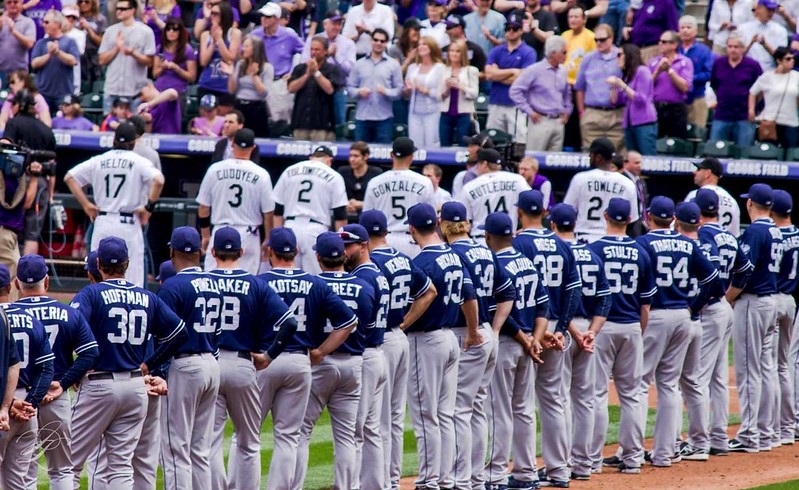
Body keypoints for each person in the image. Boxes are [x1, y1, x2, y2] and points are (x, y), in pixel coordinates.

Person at [68, 237, 185, 489]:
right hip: (135, 385)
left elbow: (69, 329)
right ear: (128, 264)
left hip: (99, 385)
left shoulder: (91, 293)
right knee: (121, 467)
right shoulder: (147, 296)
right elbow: (179, 333)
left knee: (68, 465)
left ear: (98, 264)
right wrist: (148, 364)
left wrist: (73, 372)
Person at [258, 227, 358, 490]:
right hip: (301, 361)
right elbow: (348, 321)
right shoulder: (315, 282)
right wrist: (320, 351)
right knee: (288, 437)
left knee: (246, 437)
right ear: (297, 252)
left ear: (270, 251)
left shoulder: (260, 281)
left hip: (265, 360)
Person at [208, 227, 297, 490]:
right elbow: (289, 322)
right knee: (248, 441)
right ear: (241, 252)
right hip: (243, 364)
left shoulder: (202, 282)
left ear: (213, 252)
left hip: (209, 365)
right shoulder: (256, 283)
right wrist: (270, 355)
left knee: (209, 441)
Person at [635, 197, 719, 467]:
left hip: (656, 315)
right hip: (683, 315)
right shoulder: (686, 243)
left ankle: (633, 454)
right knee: (669, 385)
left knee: (639, 384)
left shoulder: (644, 242)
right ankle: (663, 453)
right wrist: (693, 307)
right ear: (672, 218)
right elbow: (712, 280)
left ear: (649, 216)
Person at [438, 203, 515, 489]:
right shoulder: (485, 251)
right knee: (476, 408)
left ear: (443, 224)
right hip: (486, 334)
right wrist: (493, 330)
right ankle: (475, 476)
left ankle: (462, 478)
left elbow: (466, 296)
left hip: (467, 334)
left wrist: (475, 331)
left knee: (459, 409)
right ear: (467, 223)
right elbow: (508, 293)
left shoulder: (452, 253)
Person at [404, 202, 479, 490]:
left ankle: (429, 480)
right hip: (450, 339)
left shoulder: (421, 262)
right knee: (445, 414)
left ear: (412, 229)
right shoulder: (452, 255)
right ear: (435, 225)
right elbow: (469, 296)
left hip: (427, 341)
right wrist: (472, 331)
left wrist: (402, 325)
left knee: (425, 414)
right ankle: (445, 478)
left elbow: (420, 300)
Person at [359, 210, 436, 489]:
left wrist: (401, 324)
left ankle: (381, 481)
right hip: (399, 339)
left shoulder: (370, 262)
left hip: (382, 342)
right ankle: (391, 479)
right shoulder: (402, 258)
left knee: (377, 418)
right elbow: (429, 292)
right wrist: (404, 324)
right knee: (393, 416)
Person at [513, 189, 581, 487]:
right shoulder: (562, 245)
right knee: (554, 399)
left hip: (529, 329)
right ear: (544, 212)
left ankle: (525, 471)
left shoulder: (518, 243)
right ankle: (559, 470)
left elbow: (514, 293)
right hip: (555, 329)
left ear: (520, 212)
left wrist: (534, 335)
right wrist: (562, 329)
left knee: (523, 402)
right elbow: (573, 291)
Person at [13, 254, 99, 490]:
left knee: (23, 471)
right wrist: (64, 382)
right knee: (61, 470)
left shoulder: (7, 315)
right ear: (47, 281)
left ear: (16, 283)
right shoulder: (69, 313)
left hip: (18, 401)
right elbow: (90, 353)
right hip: (55, 398)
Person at [482, 211, 549, 489]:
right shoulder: (528, 263)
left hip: (511, 343)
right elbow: (545, 305)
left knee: (499, 410)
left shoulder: (495, 263)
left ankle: (496, 474)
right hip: (528, 344)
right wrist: (535, 339)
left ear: (487, 237)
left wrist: (525, 339)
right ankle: (526, 473)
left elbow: (500, 311)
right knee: (523, 409)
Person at [588, 197, 654, 475]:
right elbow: (646, 305)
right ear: (629, 220)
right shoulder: (641, 252)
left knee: (597, 394)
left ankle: (591, 459)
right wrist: (638, 332)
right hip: (631, 326)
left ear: (605, 216)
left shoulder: (594, 250)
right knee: (631, 395)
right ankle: (633, 458)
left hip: (601, 328)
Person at [156, 227, 222, 490]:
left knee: (176, 449)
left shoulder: (172, 286)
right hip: (212, 364)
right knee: (200, 449)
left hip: (184, 366)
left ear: (172, 252)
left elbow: (165, 336)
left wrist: (156, 370)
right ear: (199, 252)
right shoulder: (215, 284)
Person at [549, 203, 611, 480]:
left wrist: (573, 331)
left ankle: (561, 464)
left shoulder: (556, 252)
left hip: (563, 329)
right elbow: (605, 300)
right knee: (585, 399)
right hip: (587, 329)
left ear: (553, 225)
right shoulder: (592, 254)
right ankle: (583, 464)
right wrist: (591, 333)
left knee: (560, 398)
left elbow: (559, 301)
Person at [64, 122, 165, 287]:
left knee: (99, 277)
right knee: (132, 279)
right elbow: (159, 180)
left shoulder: (99, 160)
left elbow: (69, 177)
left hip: (103, 221)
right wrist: (148, 208)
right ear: (133, 142)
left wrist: (86, 204)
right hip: (128, 224)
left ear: (114, 140)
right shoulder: (138, 161)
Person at [694, 188, 753, 456]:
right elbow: (745, 269)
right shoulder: (729, 235)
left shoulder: (704, 234)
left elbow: (711, 275)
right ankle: (718, 437)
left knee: (698, 377)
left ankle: (700, 441)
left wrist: (711, 299)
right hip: (722, 308)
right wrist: (728, 298)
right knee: (717, 377)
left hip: (708, 309)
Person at [727, 183, 782, 452]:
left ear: (750, 204)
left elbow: (743, 271)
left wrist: (729, 296)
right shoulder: (777, 231)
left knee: (749, 370)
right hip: (771, 299)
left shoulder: (755, 232)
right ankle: (767, 431)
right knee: (766, 368)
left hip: (753, 302)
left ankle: (750, 434)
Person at [0, 267, 54, 490]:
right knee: (17, 483)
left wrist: (7, 405)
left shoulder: (5, 317)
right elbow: (23, 365)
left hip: (8, 406)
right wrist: (24, 404)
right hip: (24, 406)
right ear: (11, 285)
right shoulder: (21, 318)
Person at [197, 128, 274, 275]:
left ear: (232, 144)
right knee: (246, 285)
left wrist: (206, 235)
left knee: (213, 283)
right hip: (249, 234)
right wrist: (267, 238)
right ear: (253, 147)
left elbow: (203, 208)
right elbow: (268, 213)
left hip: (220, 230)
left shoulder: (214, 169)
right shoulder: (262, 174)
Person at [273, 145, 348, 274]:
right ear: (329, 160)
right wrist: (340, 242)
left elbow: (278, 209)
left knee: (286, 277)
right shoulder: (334, 176)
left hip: (290, 227)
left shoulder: (289, 171)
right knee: (314, 278)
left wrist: (276, 235)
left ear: (311, 158)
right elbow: (340, 214)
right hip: (316, 230)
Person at [0, 89, 58, 258]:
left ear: (18, 105)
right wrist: (52, 194)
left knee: (12, 227)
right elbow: (52, 167)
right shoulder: (46, 129)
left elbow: (4, 146)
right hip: (41, 183)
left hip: (16, 183)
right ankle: (29, 275)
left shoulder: (14, 123)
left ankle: (10, 275)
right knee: (32, 233)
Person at [362, 137, 436, 258]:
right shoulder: (424, 182)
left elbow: (366, 218)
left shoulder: (374, 182)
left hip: (384, 241)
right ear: (412, 157)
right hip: (413, 240)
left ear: (391, 155)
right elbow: (431, 218)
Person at [563, 137, 639, 243]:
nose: (589, 156)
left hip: (584, 240)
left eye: (591, 153)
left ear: (598, 157)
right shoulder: (627, 183)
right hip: (614, 241)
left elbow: (567, 211)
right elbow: (633, 221)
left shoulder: (580, 178)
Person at [510, 35, 572, 151]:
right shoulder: (534, 70)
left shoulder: (563, 71)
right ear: (554, 53)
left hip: (559, 121)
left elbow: (567, 93)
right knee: (534, 159)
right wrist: (529, 111)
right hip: (540, 120)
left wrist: (567, 110)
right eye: (564, 52)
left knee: (555, 162)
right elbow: (515, 90)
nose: (566, 55)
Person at [772, 190, 799, 446]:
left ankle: (773, 427)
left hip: (773, 299)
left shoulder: (774, 237)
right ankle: (789, 426)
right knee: (785, 365)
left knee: (770, 366)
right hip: (792, 301)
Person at [486, 9, 537, 143]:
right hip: (496, 101)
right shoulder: (496, 50)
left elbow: (523, 79)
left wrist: (498, 73)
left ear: (521, 30)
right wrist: (514, 71)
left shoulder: (528, 52)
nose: (510, 31)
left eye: (514, 28)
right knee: (492, 141)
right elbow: (488, 74)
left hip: (516, 104)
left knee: (517, 142)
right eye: (508, 28)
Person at [251, 2, 304, 127]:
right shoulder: (255, 35)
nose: (263, 19)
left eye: (268, 16)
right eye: (262, 16)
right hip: (258, 81)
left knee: (280, 122)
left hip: (279, 82)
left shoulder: (289, 35)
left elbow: (305, 51)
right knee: (258, 120)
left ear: (276, 18)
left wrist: (294, 72)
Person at [461, 148, 531, 241]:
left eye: (478, 165)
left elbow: (464, 220)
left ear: (485, 164)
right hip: (508, 239)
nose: (476, 169)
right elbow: (531, 202)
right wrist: (527, 228)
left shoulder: (470, 186)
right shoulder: (517, 180)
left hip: (481, 240)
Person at [98, 0, 156, 113]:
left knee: (135, 128)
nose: (119, 11)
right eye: (117, 9)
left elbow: (149, 62)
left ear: (132, 10)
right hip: (112, 89)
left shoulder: (146, 32)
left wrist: (133, 53)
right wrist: (117, 48)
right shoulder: (110, 31)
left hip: (135, 91)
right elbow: (101, 60)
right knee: (109, 126)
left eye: (123, 9)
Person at [348, 29, 404, 143]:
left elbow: (399, 91)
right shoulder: (359, 64)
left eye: (382, 41)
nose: (378, 43)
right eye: (376, 40)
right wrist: (359, 91)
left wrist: (386, 92)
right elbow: (349, 88)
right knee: (360, 153)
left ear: (387, 43)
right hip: (362, 118)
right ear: (371, 40)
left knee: (383, 156)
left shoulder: (393, 65)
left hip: (384, 119)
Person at [575, 23, 624, 152]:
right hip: (592, 112)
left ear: (611, 38)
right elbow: (580, 87)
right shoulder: (588, 58)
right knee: (590, 153)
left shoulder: (621, 56)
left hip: (616, 113)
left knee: (616, 155)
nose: (599, 43)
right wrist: (582, 113)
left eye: (602, 40)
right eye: (596, 40)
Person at [303, 10, 356, 128]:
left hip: (337, 86)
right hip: (316, 86)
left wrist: (337, 57)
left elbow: (351, 70)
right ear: (325, 24)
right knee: (315, 121)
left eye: (339, 24)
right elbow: (304, 62)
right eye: (334, 23)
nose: (337, 27)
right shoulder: (314, 40)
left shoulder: (348, 43)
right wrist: (324, 55)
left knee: (339, 123)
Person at [709, 33, 763, 147]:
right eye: (730, 46)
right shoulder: (719, 63)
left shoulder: (753, 65)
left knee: (744, 151)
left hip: (744, 116)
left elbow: (760, 90)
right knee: (715, 149)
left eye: (736, 47)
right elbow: (714, 85)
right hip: (722, 114)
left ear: (743, 48)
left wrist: (753, 109)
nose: (733, 50)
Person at [288, 35, 343, 142]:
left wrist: (316, 73)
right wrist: (307, 75)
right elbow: (291, 88)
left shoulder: (332, 69)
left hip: (322, 124)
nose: (313, 52)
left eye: (317, 49)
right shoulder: (300, 68)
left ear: (325, 51)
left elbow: (330, 89)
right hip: (301, 123)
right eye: (312, 49)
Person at [605, 43, 657, 154]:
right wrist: (614, 86)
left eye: (620, 54)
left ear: (629, 55)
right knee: (631, 157)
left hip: (644, 122)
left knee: (646, 156)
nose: (617, 58)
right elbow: (615, 102)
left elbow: (641, 99)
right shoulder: (627, 75)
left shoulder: (643, 71)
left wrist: (621, 84)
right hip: (629, 123)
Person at [749, 47, 799, 148]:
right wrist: (751, 110)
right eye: (788, 59)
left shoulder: (797, 76)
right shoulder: (767, 77)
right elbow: (753, 92)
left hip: (791, 121)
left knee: (790, 152)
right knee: (768, 150)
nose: (792, 61)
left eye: (792, 58)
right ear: (779, 60)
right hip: (770, 121)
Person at [223, 36, 272, 137]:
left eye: (246, 46)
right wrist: (231, 75)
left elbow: (264, 93)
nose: (242, 48)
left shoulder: (267, 67)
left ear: (255, 49)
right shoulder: (241, 64)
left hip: (257, 108)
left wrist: (254, 76)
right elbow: (232, 90)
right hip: (240, 106)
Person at [648, 30, 692, 139]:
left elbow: (685, 87)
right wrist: (658, 70)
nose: (660, 44)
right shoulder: (653, 62)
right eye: (659, 41)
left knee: (677, 142)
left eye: (664, 42)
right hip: (656, 107)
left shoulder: (685, 62)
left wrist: (670, 71)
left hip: (676, 109)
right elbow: (647, 86)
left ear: (674, 45)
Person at [404, 36, 447, 149]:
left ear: (432, 47)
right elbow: (406, 93)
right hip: (414, 113)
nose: (421, 47)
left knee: (432, 145)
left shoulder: (440, 68)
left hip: (432, 112)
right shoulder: (412, 68)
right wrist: (407, 89)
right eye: (419, 44)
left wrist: (424, 90)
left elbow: (442, 95)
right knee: (414, 145)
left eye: (424, 44)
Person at [198, 0, 241, 110]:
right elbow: (203, 61)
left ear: (224, 15)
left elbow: (230, 59)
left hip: (224, 86)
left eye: (216, 13)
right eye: (212, 13)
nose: (212, 16)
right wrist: (213, 41)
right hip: (206, 83)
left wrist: (220, 39)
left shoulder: (234, 33)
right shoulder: (205, 35)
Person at [684, 157, 741, 236]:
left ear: (707, 173)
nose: (694, 172)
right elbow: (735, 234)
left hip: (702, 243)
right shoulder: (731, 200)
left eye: (699, 169)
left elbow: (683, 225)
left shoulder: (695, 195)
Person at [440, 39, 480, 146]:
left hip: (464, 114)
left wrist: (461, 86)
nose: (454, 54)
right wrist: (447, 88)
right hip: (445, 114)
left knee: (464, 146)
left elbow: (474, 93)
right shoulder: (444, 70)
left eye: (457, 51)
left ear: (463, 54)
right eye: (451, 51)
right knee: (444, 145)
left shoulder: (471, 70)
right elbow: (439, 96)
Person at [678, 16, 713, 129]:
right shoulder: (675, 49)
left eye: (689, 27)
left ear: (696, 31)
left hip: (698, 96)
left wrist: (689, 79)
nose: (685, 30)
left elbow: (709, 73)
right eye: (682, 27)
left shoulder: (704, 50)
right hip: (678, 98)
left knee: (698, 131)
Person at [153, 17, 197, 104]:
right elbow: (155, 74)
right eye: (168, 29)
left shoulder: (187, 50)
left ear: (180, 32)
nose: (171, 32)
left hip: (178, 92)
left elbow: (192, 77)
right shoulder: (160, 48)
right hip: (160, 91)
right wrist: (162, 68)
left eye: (175, 29)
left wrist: (176, 68)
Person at [737, 0, 788, 72]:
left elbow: (781, 57)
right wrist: (751, 43)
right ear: (758, 9)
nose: (771, 13)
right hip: (747, 70)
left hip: (770, 71)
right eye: (768, 9)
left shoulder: (780, 30)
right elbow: (737, 54)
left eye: (773, 10)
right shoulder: (743, 28)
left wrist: (765, 45)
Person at [339, 141, 383, 222]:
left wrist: (361, 204)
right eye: (350, 156)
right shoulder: (342, 172)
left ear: (365, 156)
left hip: (368, 218)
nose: (352, 159)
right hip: (345, 216)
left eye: (356, 156)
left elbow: (381, 201)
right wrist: (345, 204)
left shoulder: (376, 173)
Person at [0, 0, 35, 87]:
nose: (12, 5)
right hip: (1, 70)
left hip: (20, 71)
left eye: (15, 2)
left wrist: (14, 31)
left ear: (21, 3)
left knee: (20, 99)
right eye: (9, 2)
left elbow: (30, 44)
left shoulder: (28, 22)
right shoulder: (1, 21)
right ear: (5, 4)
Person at [77, 0, 107, 88]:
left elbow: (101, 42)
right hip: (78, 56)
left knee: (95, 84)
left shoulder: (100, 19)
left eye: (86, 2)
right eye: (80, 2)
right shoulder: (74, 17)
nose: (83, 4)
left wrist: (89, 29)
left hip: (94, 55)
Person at [61, 6, 87, 97]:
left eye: (74, 17)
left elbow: (78, 52)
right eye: (68, 17)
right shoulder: (52, 32)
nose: (71, 19)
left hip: (72, 76)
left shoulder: (80, 34)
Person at [622, 150, 648, 237]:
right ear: (626, 163)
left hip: (641, 224)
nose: (639, 166)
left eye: (640, 163)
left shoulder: (641, 182)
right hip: (628, 225)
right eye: (636, 163)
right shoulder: (622, 180)